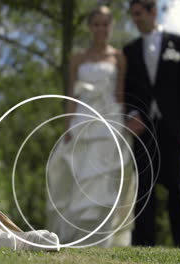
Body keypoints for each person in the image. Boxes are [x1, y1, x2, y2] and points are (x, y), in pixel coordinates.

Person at [46, 6, 137, 247]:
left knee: (105, 178)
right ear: (90, 27)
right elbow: (70, 95)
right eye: (96, 24)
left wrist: (124, 127)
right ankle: (74, 237)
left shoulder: (119, 58)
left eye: (105, 24)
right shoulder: (77, 58)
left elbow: (120, 94)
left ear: (111, 27)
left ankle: (101, 240)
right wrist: (67, 126)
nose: (101, 29)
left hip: (110, 121)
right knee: (78, 174)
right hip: (83, 120)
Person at [123, 0, 180, 247]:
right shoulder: (129, 50)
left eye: (138, 14)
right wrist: (131, 114)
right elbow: (127, 89)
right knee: (144, 185)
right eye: (132, 15)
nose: (135, 19)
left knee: (176, 185)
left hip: (172, 126)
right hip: (142, 127)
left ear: (153, 11)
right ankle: (144, 243)